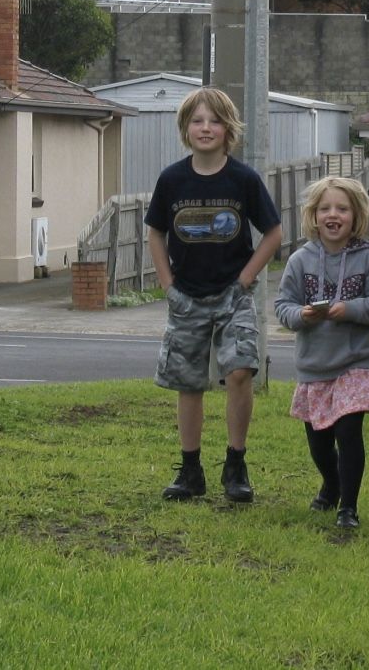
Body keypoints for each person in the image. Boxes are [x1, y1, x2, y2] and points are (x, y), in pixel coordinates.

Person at [145, 87, 283, 503]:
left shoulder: (243, 179)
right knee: (190, 382)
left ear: (228, 129)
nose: (206, 128)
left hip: (232, 296)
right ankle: (190, 471)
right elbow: (155, 231)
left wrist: (244, 279)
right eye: (198, 121)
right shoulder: (172, 179)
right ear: (186, 129)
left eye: (215, 121)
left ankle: (235, 465)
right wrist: (167, 284)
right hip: (186, 295)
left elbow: (273, 233)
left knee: (240, 370)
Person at [275, 177, 369, 529]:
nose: (333, 215)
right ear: (313, 216)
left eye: (342, 209)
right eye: (325, 208)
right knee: (319, 442)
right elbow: (283, 307)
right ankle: (332, 483)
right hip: (314, 366)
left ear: (355, 215)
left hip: (355, 364)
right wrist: (302, 315)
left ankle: (349, 507)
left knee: (348, 432)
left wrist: (351, 309)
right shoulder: (299, 260)